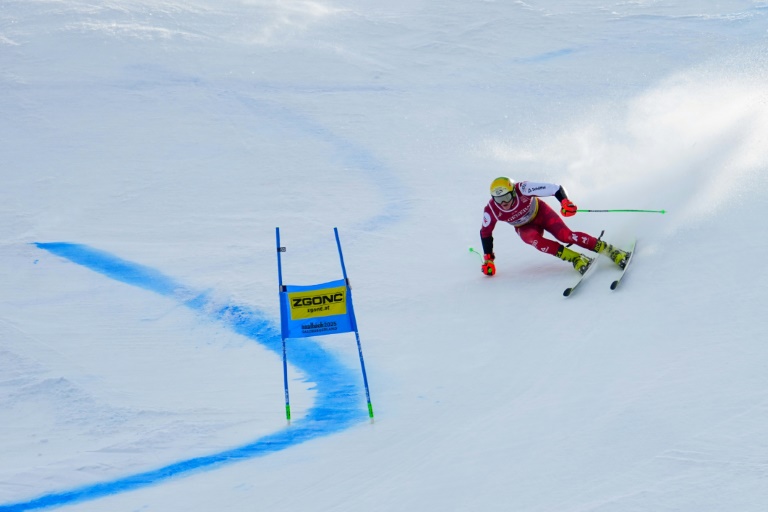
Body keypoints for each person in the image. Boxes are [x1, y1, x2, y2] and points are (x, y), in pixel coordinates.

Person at [479, 176, 629, 276]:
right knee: (532, 239)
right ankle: (576, 258)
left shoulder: (522, 188)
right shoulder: (491, 209)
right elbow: (485, 232)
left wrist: (565, 202)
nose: (503, 203)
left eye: (506, 197)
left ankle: (610, 251)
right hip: (524, 226)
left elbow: (554, 188)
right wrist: (488, 259)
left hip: (541, 213)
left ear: (512, 192)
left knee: (565, 236)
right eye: (498, 199)